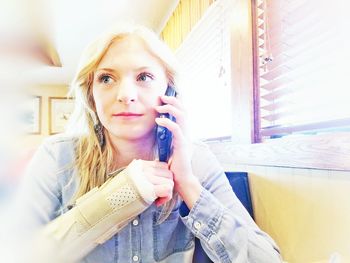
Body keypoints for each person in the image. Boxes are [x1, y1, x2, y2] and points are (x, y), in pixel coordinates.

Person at [10, 24, 282, 263]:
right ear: (91, 95)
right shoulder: (57, 157)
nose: (126, 95)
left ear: (169, 91)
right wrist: (117, 199)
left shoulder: (196, 159)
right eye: (106, 78)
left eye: (144, 77)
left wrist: (187, 183)